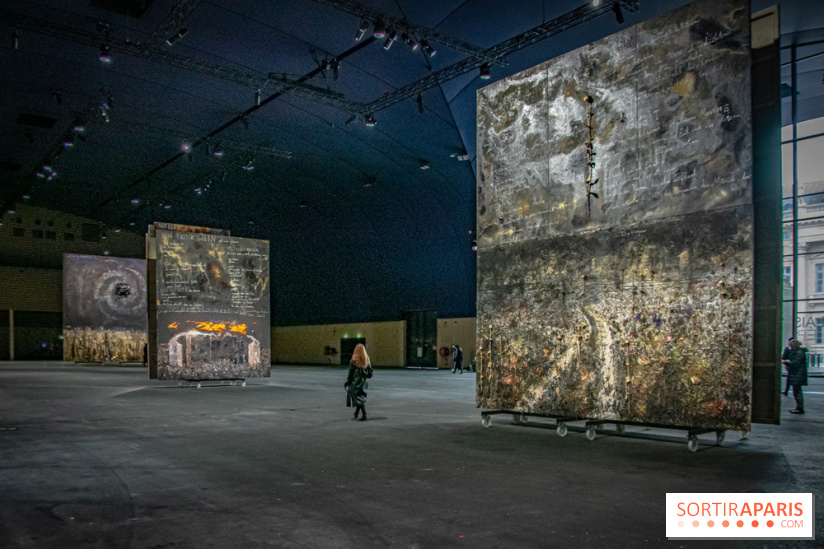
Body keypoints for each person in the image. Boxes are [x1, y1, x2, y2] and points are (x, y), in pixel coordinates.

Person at [344, 343, 373, 421]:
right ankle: (356, 413)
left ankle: (364, 414)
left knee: (358, 399)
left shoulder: (353, 361)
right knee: (361, 398)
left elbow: (350, 374)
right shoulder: (367, 361)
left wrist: (347, 382)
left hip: (356, 383)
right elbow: (370, 374)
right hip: (364, 383)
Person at [781, 339, 808, 414]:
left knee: (797, 392)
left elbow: (795, 363)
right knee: (796, 391)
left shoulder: (799, 352)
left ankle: (800, 408)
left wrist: (786, 362)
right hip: (797, 374)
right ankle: (799, 407)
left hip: (797, 374)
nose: (790, 348)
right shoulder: (798, 351)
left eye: (790, 346)